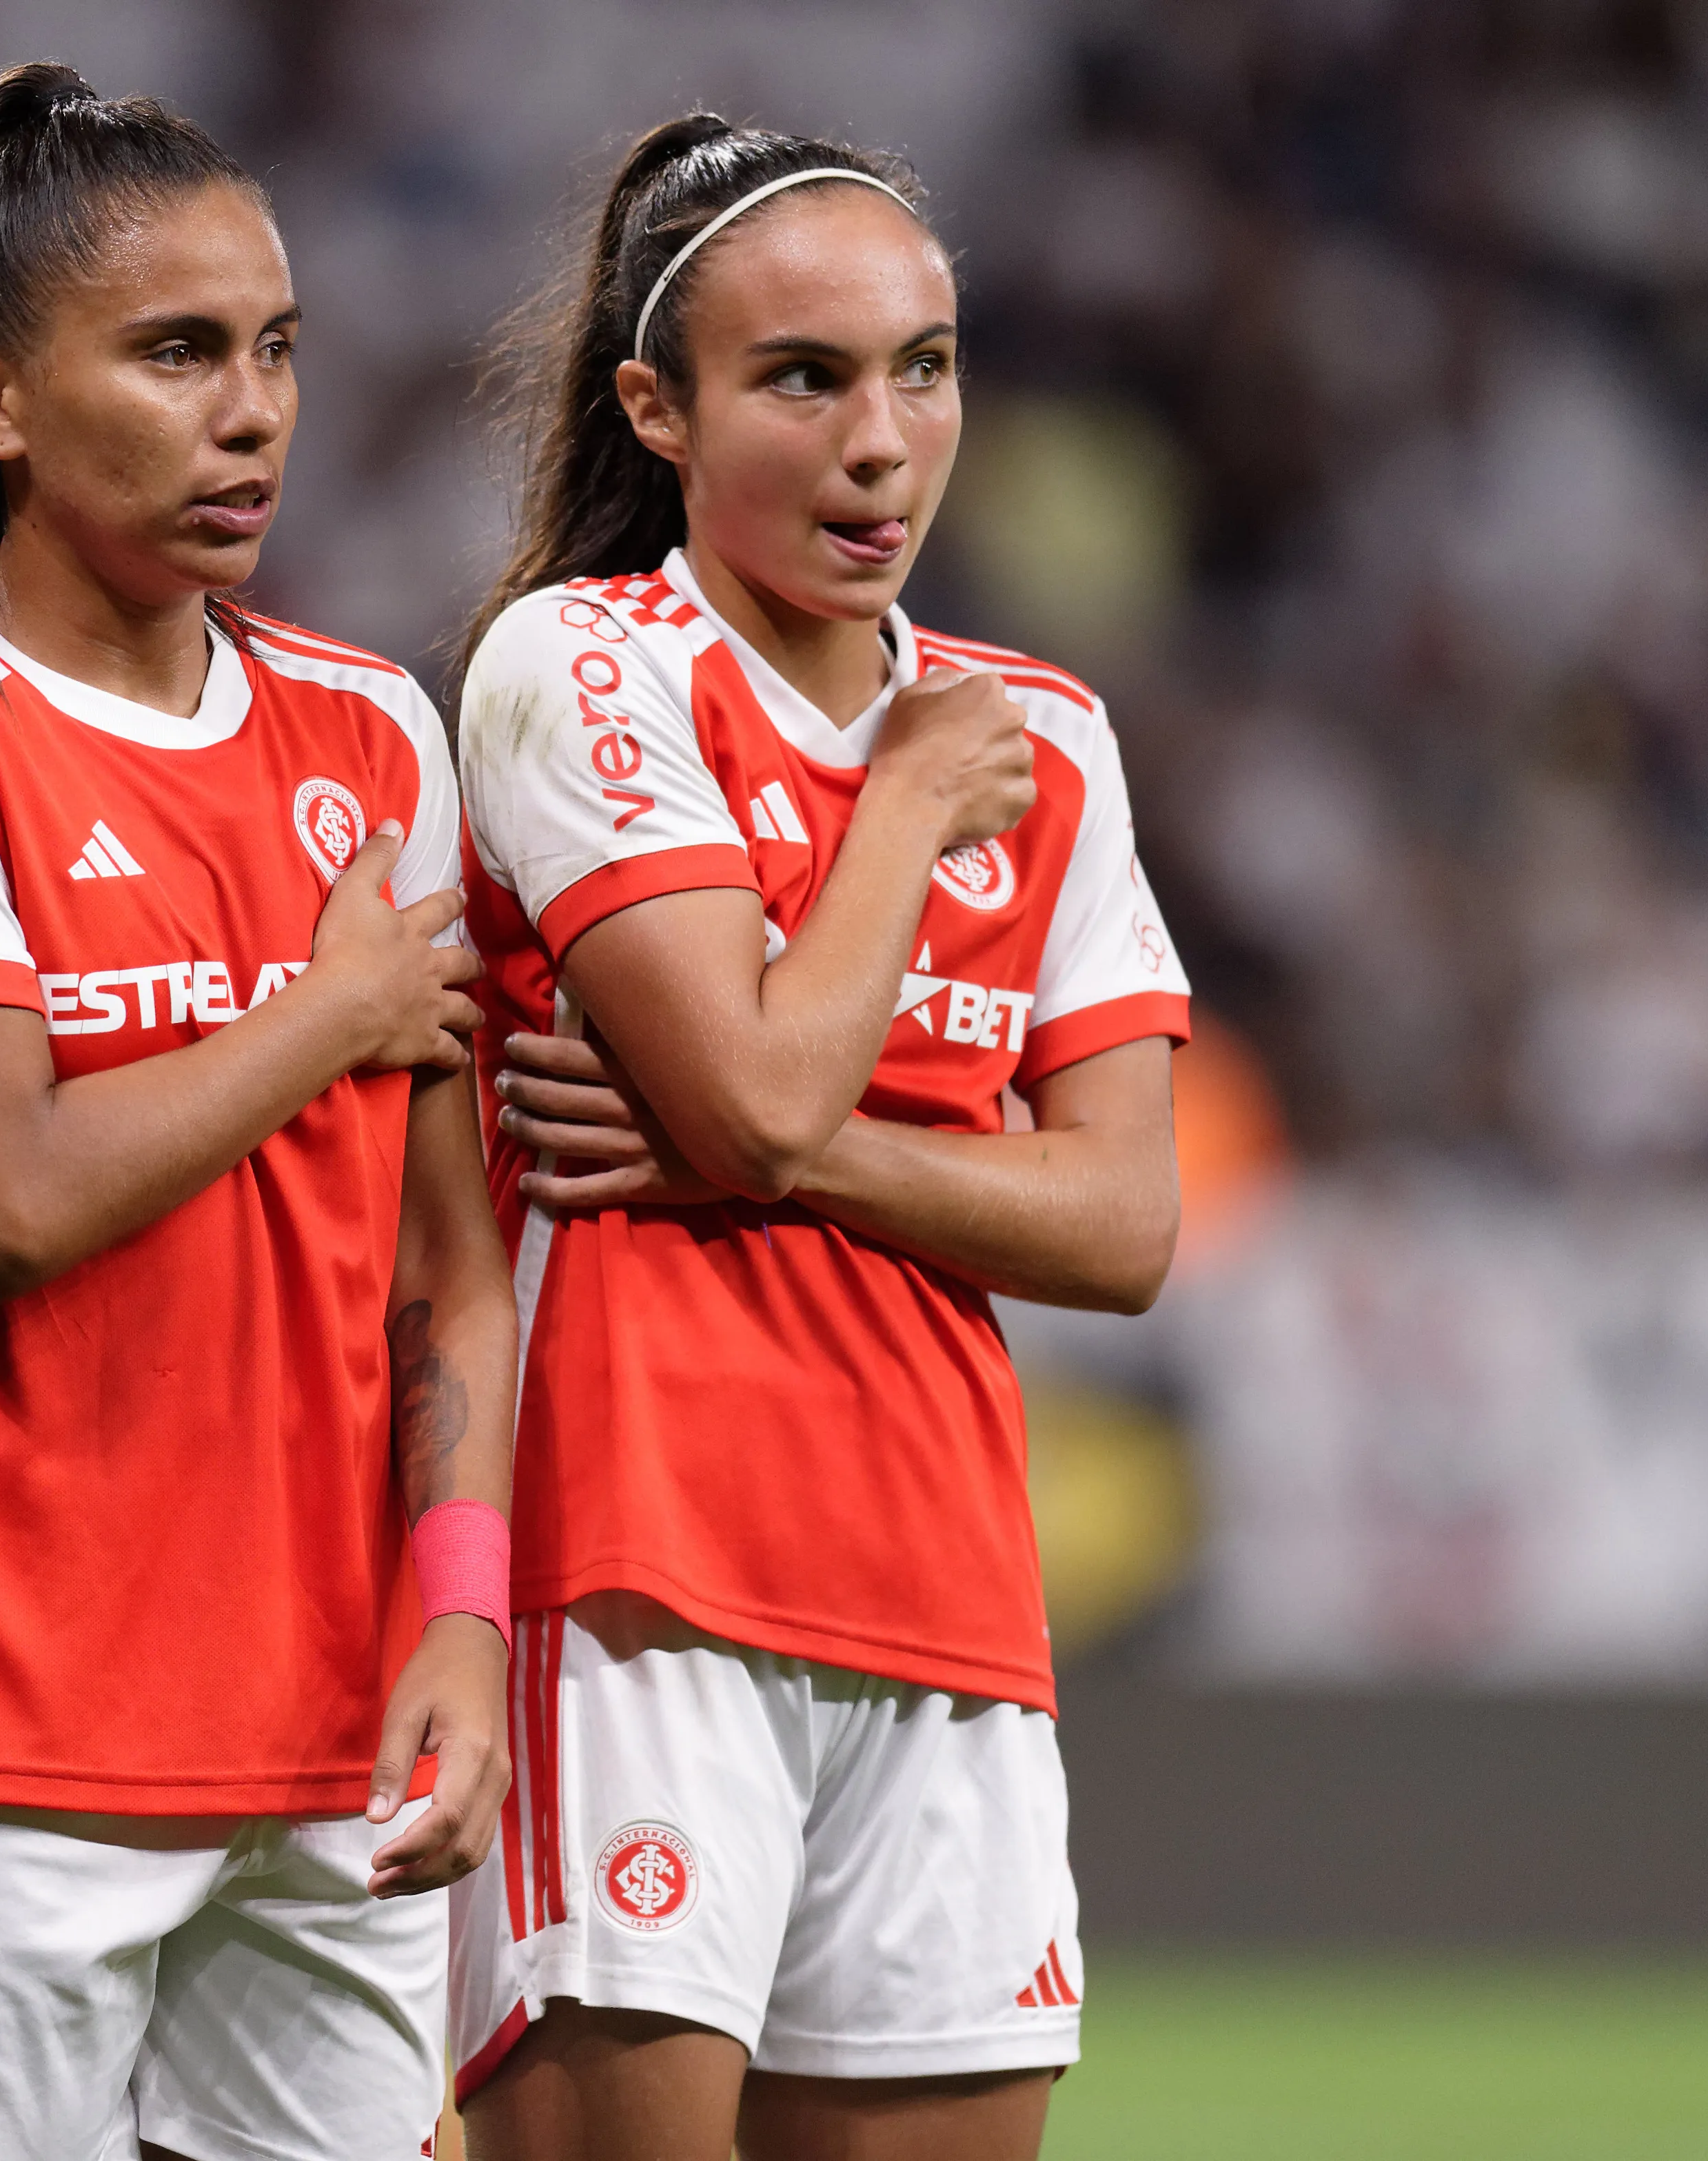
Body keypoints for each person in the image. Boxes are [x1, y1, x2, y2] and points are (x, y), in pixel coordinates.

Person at [0, 64, 517, 2161]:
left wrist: (460, 1604)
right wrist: (328, 1007)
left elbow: (446, 1264)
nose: (248, 409)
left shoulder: (373, 733)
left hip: (314, 1763)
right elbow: (4, 1194)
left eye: (272, 352)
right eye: (174, 353)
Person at [447, 118, 1192, 2161]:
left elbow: (1124, 1217)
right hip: (627, 1585)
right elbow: (759, 1091)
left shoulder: (1043, 733)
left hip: (947, 1608)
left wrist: (770, 1156)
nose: (881, 441)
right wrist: (898, 817)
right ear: (654, 408)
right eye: (804, 379)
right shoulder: (580, 669)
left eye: (923, 368)